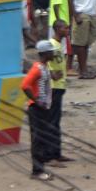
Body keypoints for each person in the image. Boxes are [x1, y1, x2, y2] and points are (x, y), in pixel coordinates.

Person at [21, 41, 56, 181]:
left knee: (41, 139)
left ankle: (40, 167)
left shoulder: (44, 67)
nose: (53, 53)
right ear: (45, 53)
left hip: (42, 108)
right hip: (37, 110)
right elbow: (25, 85)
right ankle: (37, 171)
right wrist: (36, 101)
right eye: (51, 51)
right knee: (37, 140)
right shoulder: (37, 69)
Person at [45, 24, 73, 165]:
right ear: (57, 29)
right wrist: (51, 74)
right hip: (54, 87)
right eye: (65, 28)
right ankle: (50, 156)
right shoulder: (51, 45)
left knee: (56, 121)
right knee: (52, 121)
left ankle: (56, 153)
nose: (67, 30)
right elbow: (44, 63)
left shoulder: (58, 45)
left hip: (60, 86)